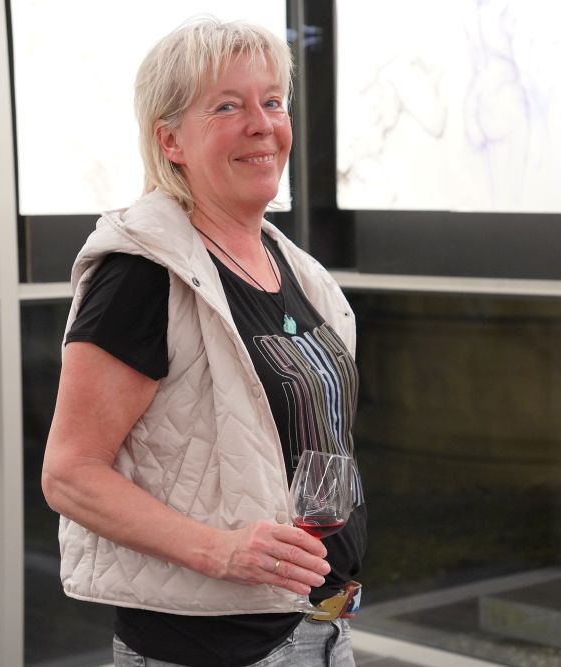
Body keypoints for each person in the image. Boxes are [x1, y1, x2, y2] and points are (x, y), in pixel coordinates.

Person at [41, 17, 366, 667]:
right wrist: (222, 551)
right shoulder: (141, 274)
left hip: (323, 628)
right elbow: (70, 474)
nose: (261, 124)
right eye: (227, 107)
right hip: (211, 649)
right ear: (170, 140)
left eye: (272, 102)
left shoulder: (296, 270)